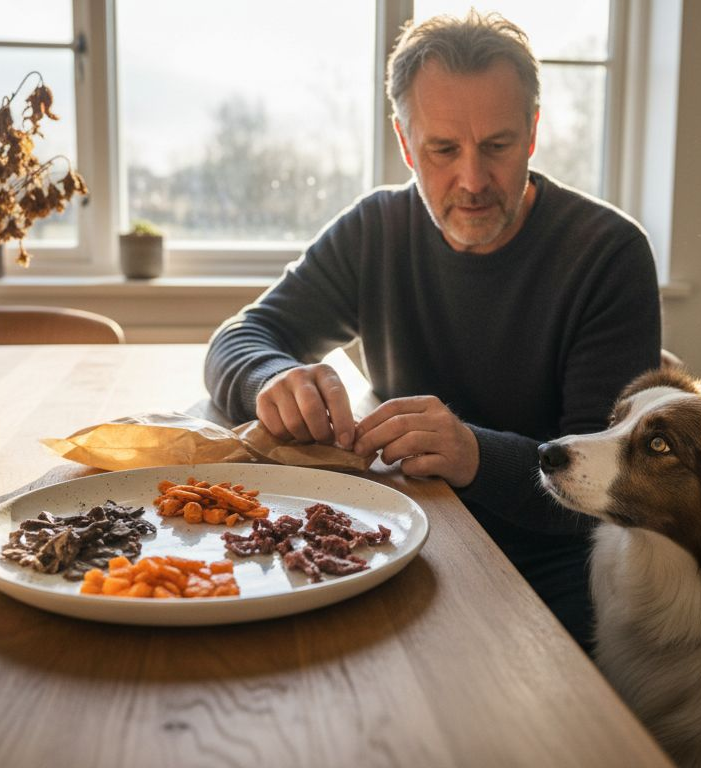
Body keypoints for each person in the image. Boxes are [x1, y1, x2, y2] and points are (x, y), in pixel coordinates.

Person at [204, 10, 661, 648]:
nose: (472, 181)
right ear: (403, 141)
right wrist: (274, 379)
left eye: (497, 146)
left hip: (552, 561)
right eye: (442, 150)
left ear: (532, 132)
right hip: (399, 533)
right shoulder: (375, 230)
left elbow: (609, 488)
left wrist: (473, 454)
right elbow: (241, 337)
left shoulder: (607, 254)